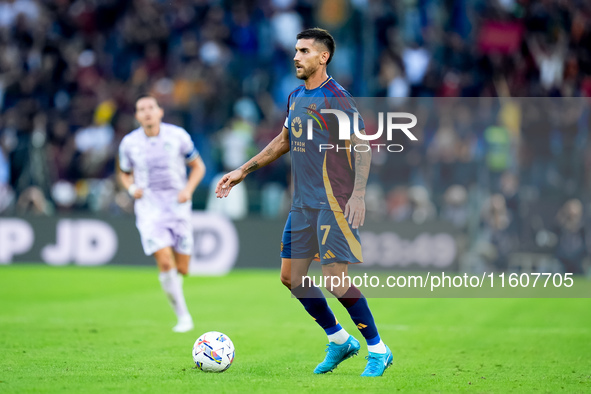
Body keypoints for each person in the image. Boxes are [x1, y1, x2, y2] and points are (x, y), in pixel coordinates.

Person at [216, 28, 392, 377]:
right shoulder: (296, 96)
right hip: (303, 203)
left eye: (304, 51)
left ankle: (378, 349)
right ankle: (339, 340)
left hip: (334, 202)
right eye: (296, 50)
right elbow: (283, 141)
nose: (296, 56)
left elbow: (361, 146)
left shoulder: (337, 98)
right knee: (291, 277)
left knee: (335, 280)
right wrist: (243, 170)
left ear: (323, 57)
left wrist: (357, 195)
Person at [119, 95, 205, 333]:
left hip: (178, 207)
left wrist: (188, 190)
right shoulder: (129, 143)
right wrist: (131, 188)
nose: (146, 112)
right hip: (149, 209)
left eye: (150, 108)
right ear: (137, 116)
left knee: (183, 268)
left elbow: (199, 166)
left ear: (160, 112)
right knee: (165, 261)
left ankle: (175, 289)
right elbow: (125, 173)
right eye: (141, 109)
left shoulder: (178, 136)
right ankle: (183, 317)